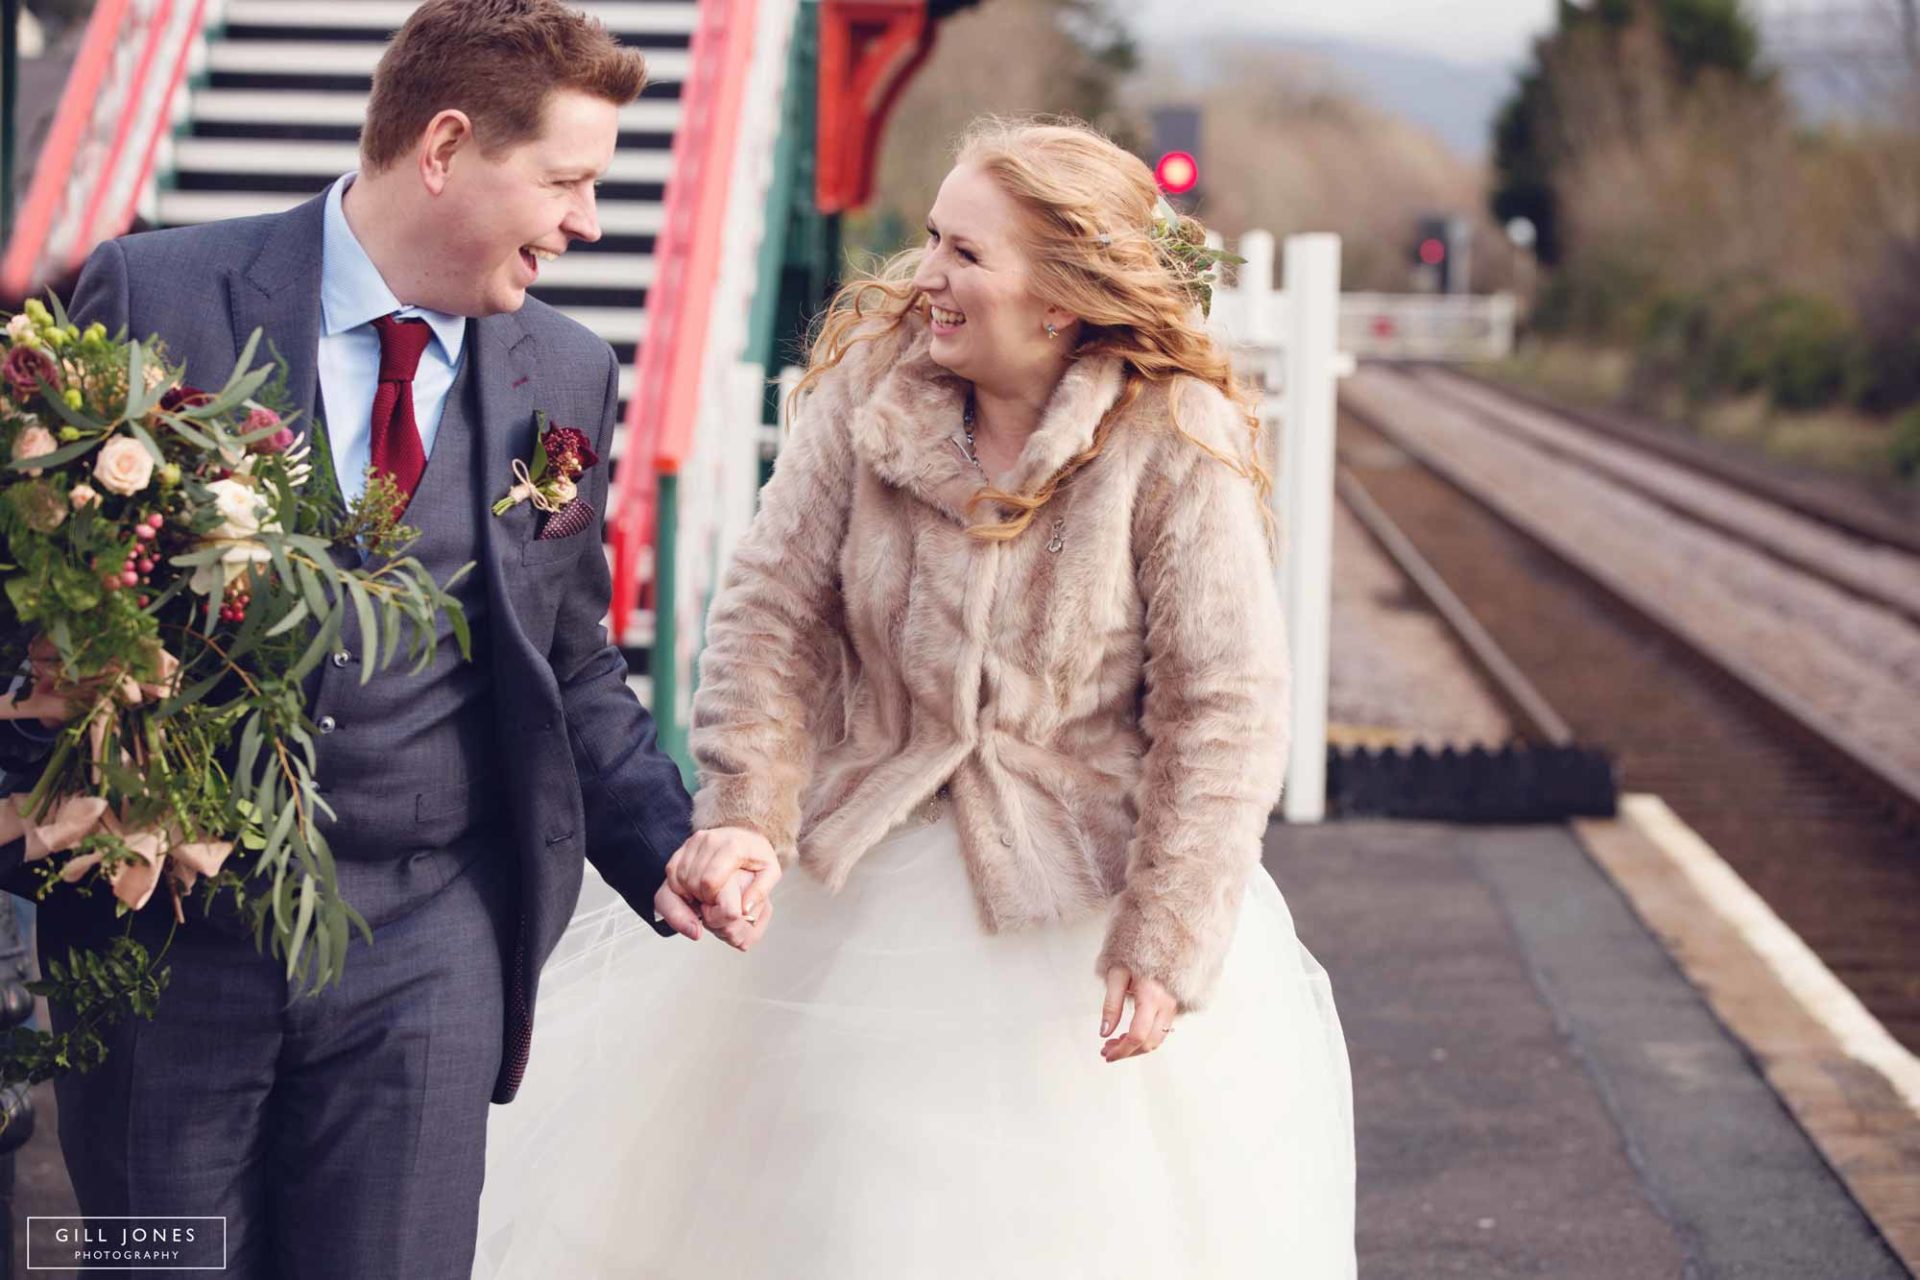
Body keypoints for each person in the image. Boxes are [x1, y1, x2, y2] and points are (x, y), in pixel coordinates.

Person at [475, 116, 1357, 1277]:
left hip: (1084, 910)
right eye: (935, 238)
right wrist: (745, 807)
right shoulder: (863, 397)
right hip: (862, 886)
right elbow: (770, 612)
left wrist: (1167, 933)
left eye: (967, 254)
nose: (928, 274)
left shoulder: (1169, 438)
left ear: (1059, 298)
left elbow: (1226, 707)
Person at [6, 2, 719, 1275]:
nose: (589, 223)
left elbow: (572, 660)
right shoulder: (155, 291)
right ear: (445, 147)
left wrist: (666, 845)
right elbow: (39, 595)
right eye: (566, 180)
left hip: (428, 944)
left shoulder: (565, 372)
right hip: (174, 947)